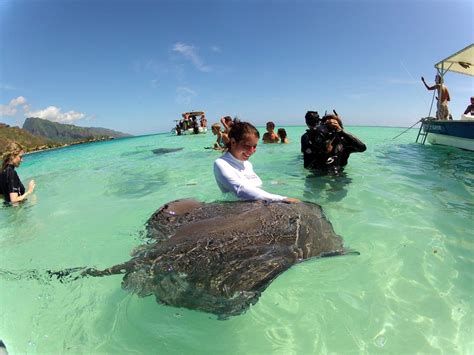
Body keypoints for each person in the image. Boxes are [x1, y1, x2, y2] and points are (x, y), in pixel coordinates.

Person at [214, 121, 299, 202]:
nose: (251, 151)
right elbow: (240, 189)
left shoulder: (247, 164)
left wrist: (273, 182)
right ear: (233, 142)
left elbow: (253, 185)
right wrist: (282, 199)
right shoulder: (221, 163)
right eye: (247, 145)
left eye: (254, 146)